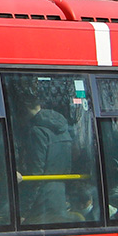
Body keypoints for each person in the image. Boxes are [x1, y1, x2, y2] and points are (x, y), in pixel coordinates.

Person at [16, 93, 73, 223]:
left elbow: (35, 174)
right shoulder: (64, 130)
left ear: (24, 109)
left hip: (41, 202)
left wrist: (24, 210)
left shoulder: (37, 132)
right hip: (59, 196)